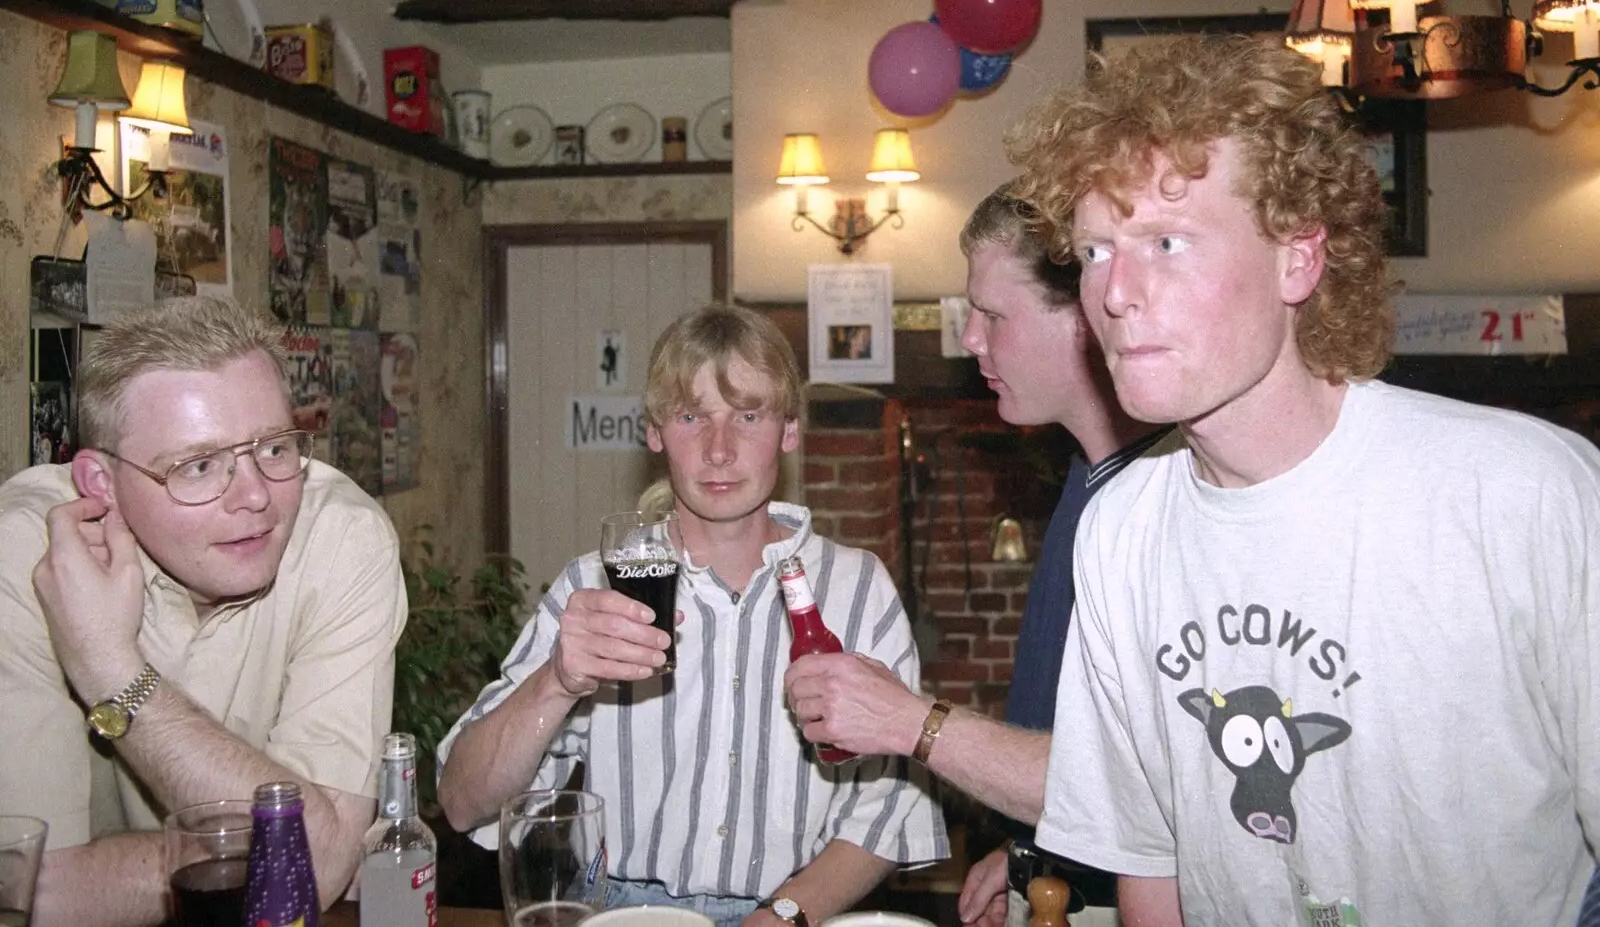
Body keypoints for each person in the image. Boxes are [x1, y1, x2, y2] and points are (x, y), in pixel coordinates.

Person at [1002, 33, 1600, 925]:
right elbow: (1147, 864)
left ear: (1300, 258)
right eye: (1093, 252)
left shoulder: (1521, 493)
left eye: (1166, 240)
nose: (1116, 293)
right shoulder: (1121, 523)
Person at [436, 303, 947, 927]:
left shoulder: (857, 588)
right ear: (654, 433)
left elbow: (890, 806)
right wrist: (557, 681)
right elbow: (461, 803)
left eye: (748, 417)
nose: (719, 450)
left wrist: (783, 913)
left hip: (794, 911)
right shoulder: (593, 587)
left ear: (789, 430)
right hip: (625, 912)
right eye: (690, 417)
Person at [784, 187, 1171, 927]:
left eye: (993, 315)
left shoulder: (1160, 499)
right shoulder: (1091, 481)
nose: (970, 340)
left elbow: (1137, 786)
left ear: (1085, 319)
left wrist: (911, 722)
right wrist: (1034, 854)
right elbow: (1078, 744)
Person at [0, 297, 406, 927]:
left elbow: (314, 870)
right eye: (198, 466)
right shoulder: (24, 557)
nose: (255, 498)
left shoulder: (341, 538)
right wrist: (260, 856)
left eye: (274, 448)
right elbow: (20, 888)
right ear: (99, 484)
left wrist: (113, 669)